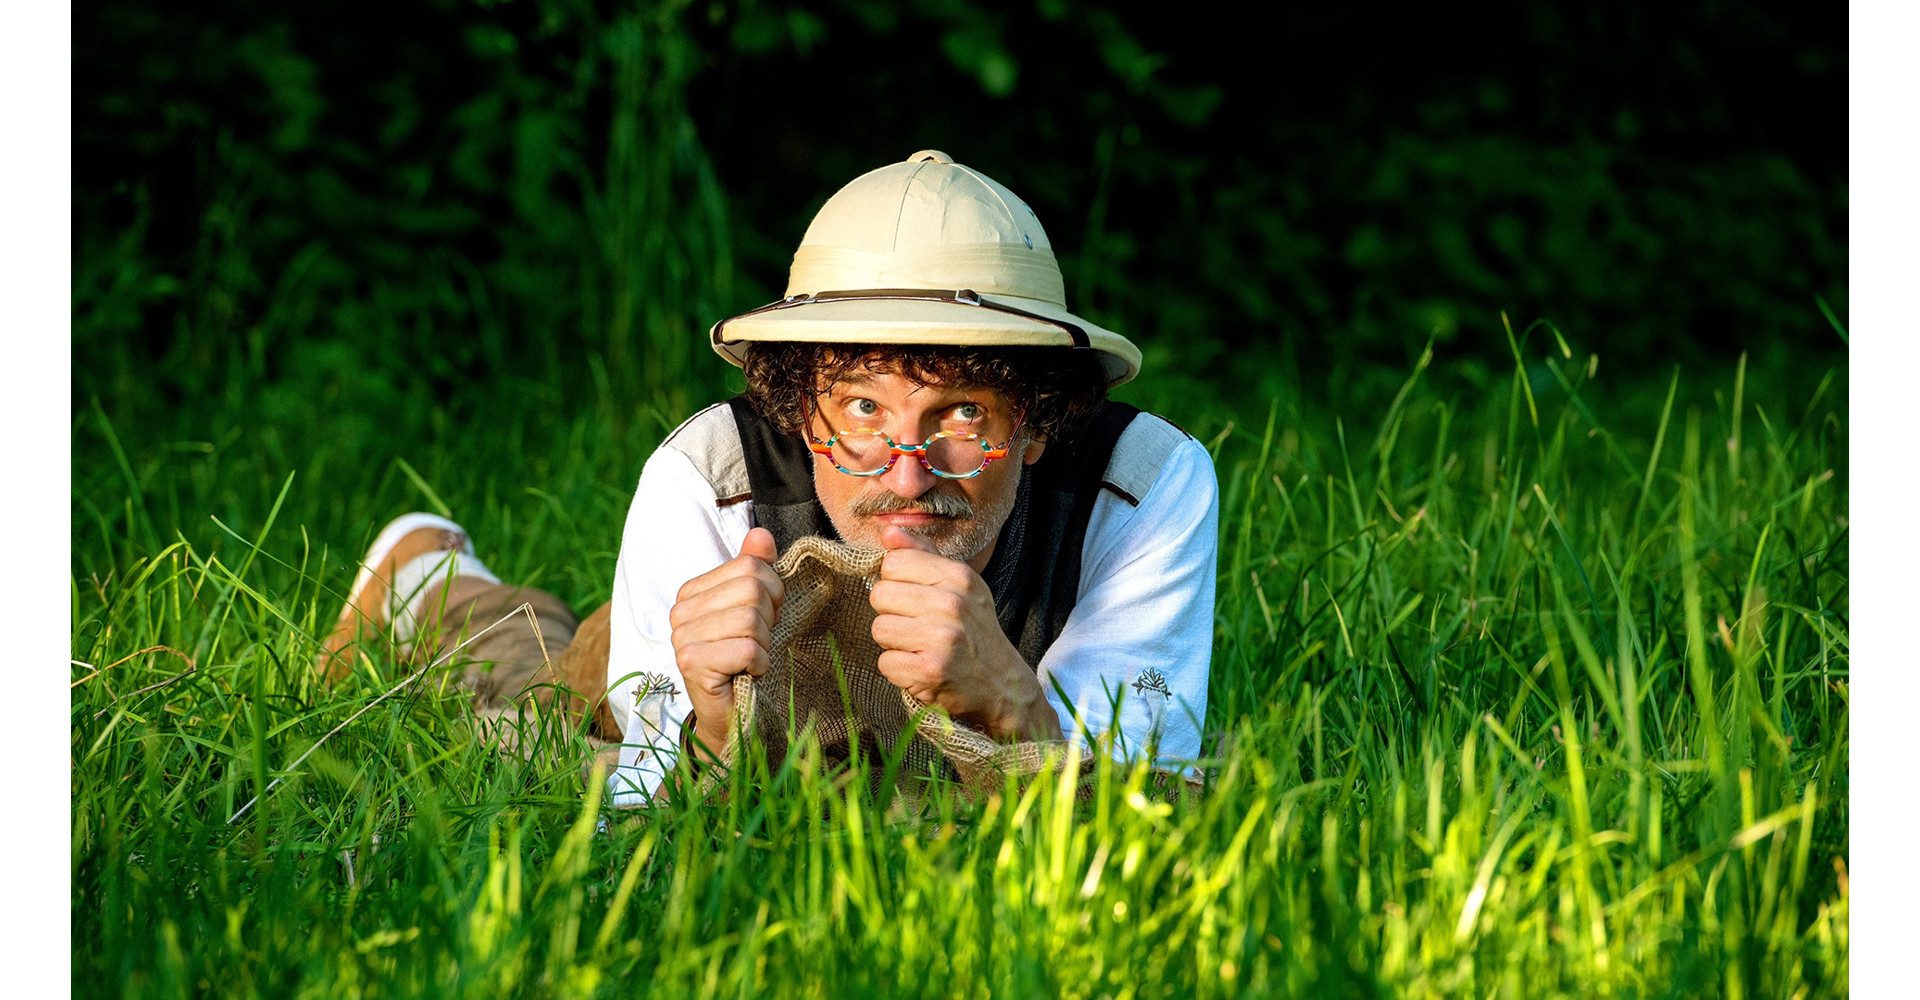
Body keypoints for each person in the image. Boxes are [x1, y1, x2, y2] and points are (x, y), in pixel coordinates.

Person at [319, 151, 1219, 805]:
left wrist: (1013, 700)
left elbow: (1137, 800)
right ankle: (429, 575)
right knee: (536, 698)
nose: (908, 476)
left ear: (1038, 424)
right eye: (861, 407)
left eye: (962, 416)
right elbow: (644, 794)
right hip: (653, 658)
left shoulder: (1144, 486)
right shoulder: (709, 475)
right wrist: (713, 723)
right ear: (798, 411)